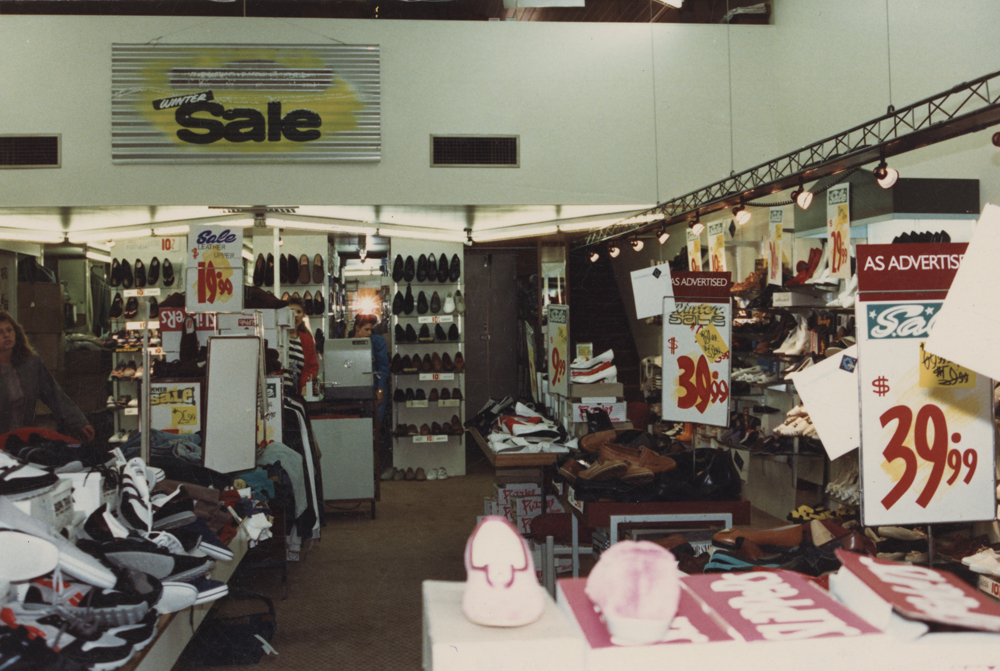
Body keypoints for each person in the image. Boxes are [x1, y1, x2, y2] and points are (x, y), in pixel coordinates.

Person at [0, 311, 95, 441]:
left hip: (26, 439)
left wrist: (79, 421)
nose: (6, 335)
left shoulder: (30, 363)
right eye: (0, 332)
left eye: (9, 330)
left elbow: (54, 394)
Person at [352, 314, 390, 422]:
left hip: (375, 388)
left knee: (375, 424)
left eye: (371, 330)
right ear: (357, 328)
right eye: (366, 329)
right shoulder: (346, 344)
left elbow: (383, 367)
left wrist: (380, 390)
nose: (369, 333)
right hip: (355, 390)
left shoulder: (377, 342)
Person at [284, 297, 319, 397]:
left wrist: (305, 385)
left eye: (299, 312)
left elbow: (312, 367)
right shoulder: (277, 336)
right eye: (291, 311)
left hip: (297, 394)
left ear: (303, 315)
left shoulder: (307, 340)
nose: (295, 315)